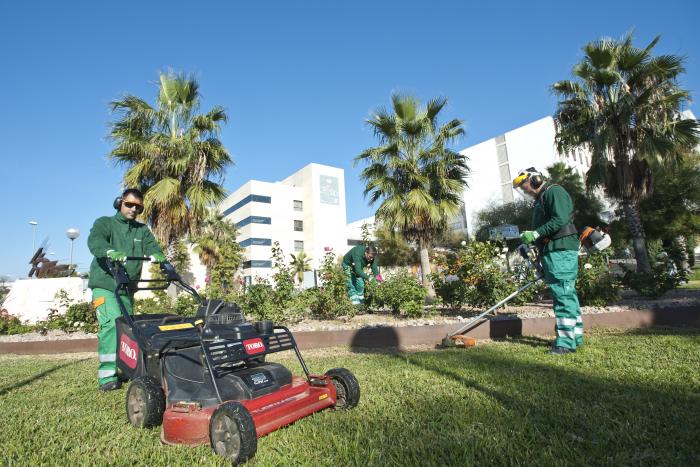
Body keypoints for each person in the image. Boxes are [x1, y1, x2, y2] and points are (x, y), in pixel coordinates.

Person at [87, 188, 165, 390]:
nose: (133, 209)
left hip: (126, 288)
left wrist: (158, 255)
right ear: (119, 203)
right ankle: (107, 376)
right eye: (129, 204)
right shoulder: (105, 223)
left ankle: (129, 368)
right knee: (112, 325)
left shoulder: (141, 230)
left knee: (128, 329)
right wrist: (109, 251)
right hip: (105, 285)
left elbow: (153, 247)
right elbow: (95, 241)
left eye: (137, 207)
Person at [513, 168, 582, 355]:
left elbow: (560, 219)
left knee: (563, 295)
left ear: (535, 179)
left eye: (524, 185)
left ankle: (566, 344)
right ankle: (575, 336)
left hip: (561, 249)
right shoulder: (541, 198)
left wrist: (535, 233)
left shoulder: (554, 191)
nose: (525, 190)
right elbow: (544, 227)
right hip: (552, 250)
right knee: (566, 293)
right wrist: (529, 243)